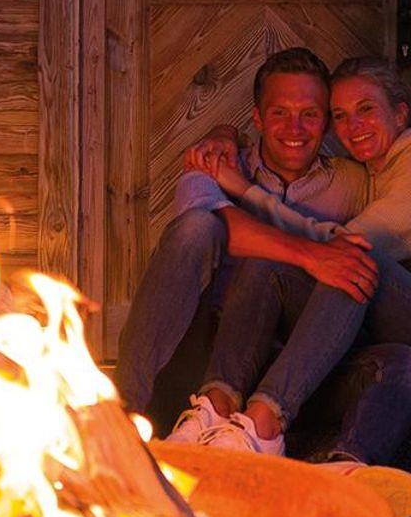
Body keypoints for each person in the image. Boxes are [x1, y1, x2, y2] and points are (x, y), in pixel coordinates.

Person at [185, 56, 411, 517]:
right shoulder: (374, 174)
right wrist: (226, 134)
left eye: (366, 110)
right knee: (404, 359)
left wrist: (243, 190)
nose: (353, 126)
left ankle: (263, 425)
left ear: (400, 114)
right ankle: (347, 464)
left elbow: (343, 245)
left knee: (353, 261)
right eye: (340, 116)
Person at [111, 47, 372, 423]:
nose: (295, 129)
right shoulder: (216, 163)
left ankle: (261, 418)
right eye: (280, 113)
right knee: (197, 227)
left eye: (309, 114)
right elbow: (207, 219)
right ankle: (123, 409)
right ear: (258, 119)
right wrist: (315, 255)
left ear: (327, 123)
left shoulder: (353, 184)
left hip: (284, 357)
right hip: (200, 347)